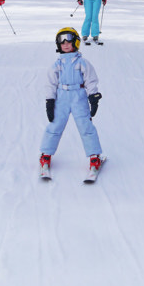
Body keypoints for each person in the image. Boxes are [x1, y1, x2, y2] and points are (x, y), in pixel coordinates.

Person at [39, 27, 103, 175]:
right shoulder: (57, 65)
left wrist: (93, 97)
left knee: (85, 126)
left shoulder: (82, 62)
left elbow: (91, 80)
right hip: (61, 97)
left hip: (78, 97)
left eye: (69, 40)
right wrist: (50, 101)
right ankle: (46, 155)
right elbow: (50, 84)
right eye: (62, 41)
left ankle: (94, 157)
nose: (65, 43)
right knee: (55, 125)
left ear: (76, 42)